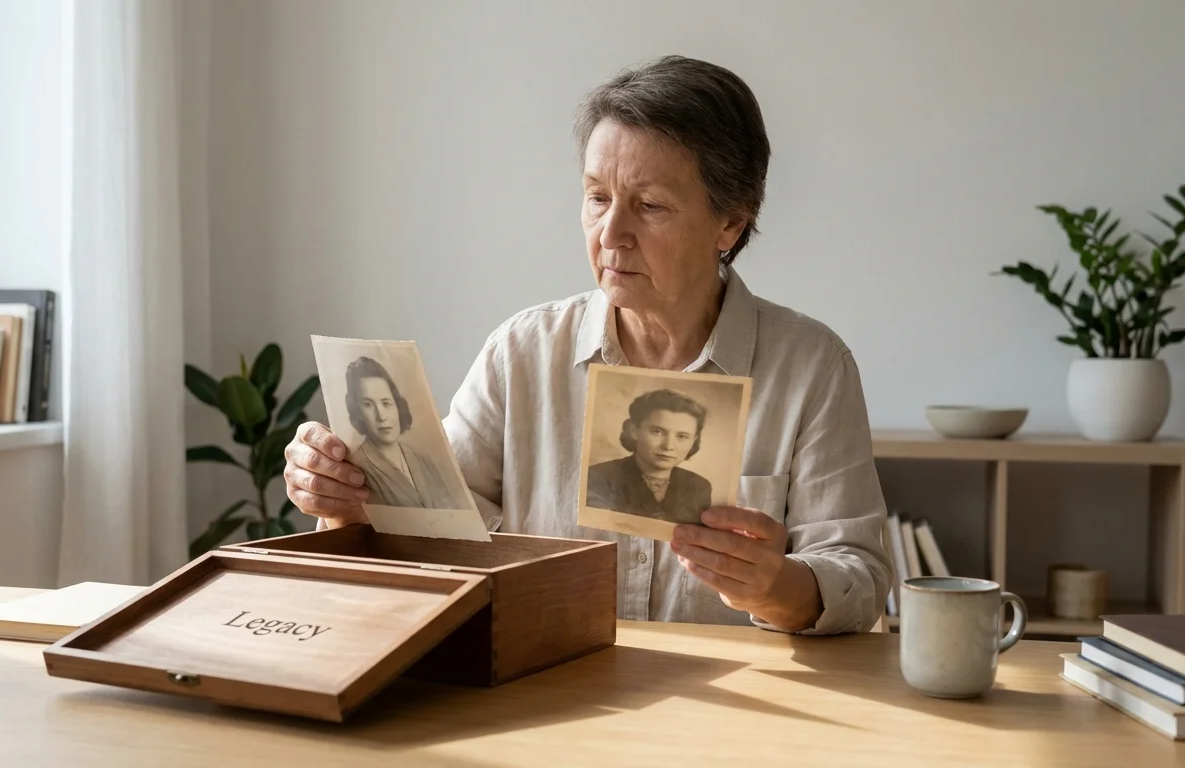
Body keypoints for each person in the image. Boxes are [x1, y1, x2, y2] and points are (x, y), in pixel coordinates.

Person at [284, 55, 893, 635]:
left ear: (731, 222)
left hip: (732, 701)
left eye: (649, 206)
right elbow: (430, 528)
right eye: (598, 197)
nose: (611, 234)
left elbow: (860, 575)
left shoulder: (812, 367)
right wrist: (346, 499)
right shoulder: (522, 353)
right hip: (545, 680)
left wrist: (776, 587)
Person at [342, 356, 464, 510]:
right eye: (368, 405)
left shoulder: (421, 459)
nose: (381, 416)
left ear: (397, 405)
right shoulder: (357, 467)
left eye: (386, 403)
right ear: (357, 411)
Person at [586, 389, 713, 522]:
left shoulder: (699, 487)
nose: (668, 446)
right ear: (635, 431)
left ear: (693, 440)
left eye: (682, 436)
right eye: (657, 432)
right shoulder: (597, 478)